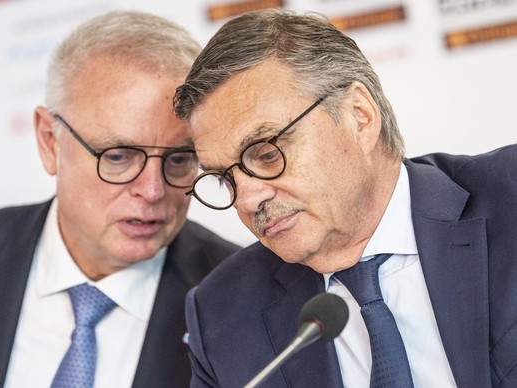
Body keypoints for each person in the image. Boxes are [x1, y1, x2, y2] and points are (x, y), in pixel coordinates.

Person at [173, 8, 517, 388]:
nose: (247, 200)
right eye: (224, 179)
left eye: (267, 153)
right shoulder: (223, 314)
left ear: (360, 117)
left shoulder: (510, 195)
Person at [0, 10, 240, 388]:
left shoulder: (240, 300)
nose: (153, 190)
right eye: (118, 157)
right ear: (50, 141)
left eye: (179, 159)